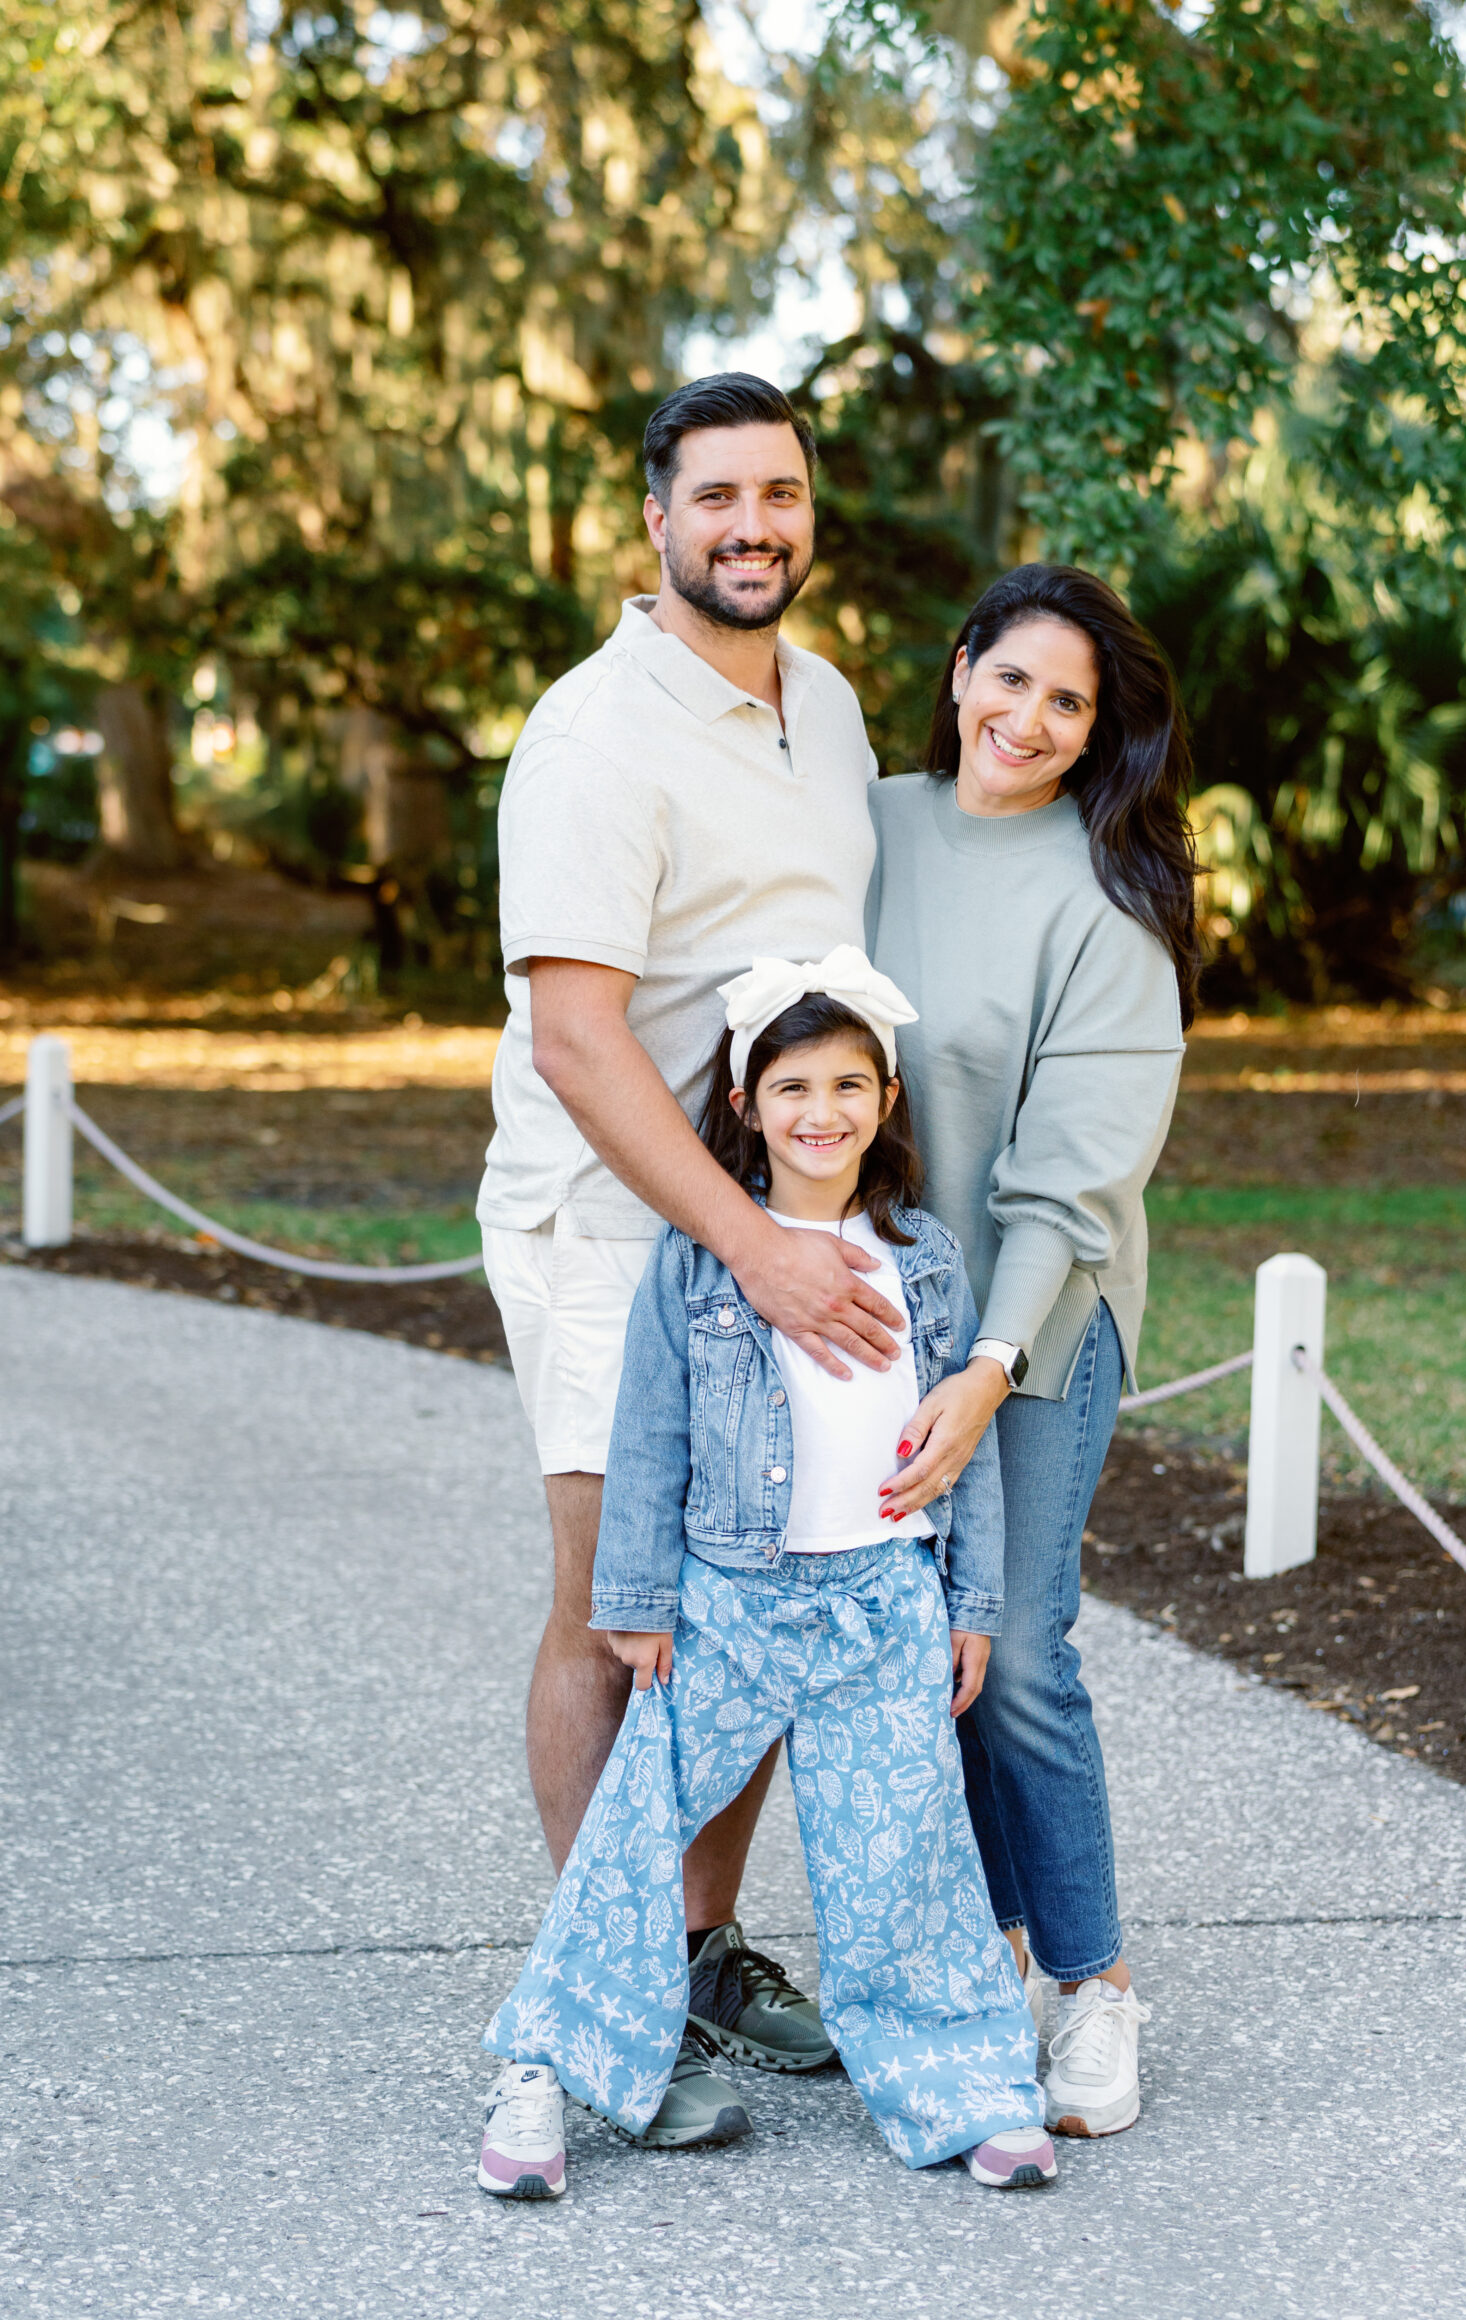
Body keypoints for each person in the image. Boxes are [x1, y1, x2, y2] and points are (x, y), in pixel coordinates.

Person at [476, 373, 908, 2149]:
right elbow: (579, 1044)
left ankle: (699, 1949)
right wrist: (747, 1246)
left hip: (784, 1232)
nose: (753, 526)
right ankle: (610, 2005)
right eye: (716, 496)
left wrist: (811, 1240)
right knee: (620, 1606)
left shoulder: (832, 702)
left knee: (762, 1602)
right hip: (612, 1227)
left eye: (781, 494)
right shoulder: (593, 734)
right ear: (653, 520)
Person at [478, 956, 1055, 2196]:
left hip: (885, 1604)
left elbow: (972, 1452)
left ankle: (967, 2086)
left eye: (851, 1083)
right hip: (727, 1606)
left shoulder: (928, 1259)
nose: (822, 1109)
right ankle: (547, 2071)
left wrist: (970, 1602)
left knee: (904, 1854)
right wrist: (633, 1603)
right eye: (792, 1083)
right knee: (633, 1840)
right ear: (745, 1101)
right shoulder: (703, 1263)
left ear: (886, 1097)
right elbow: (647, 1437)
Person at [865, 562, 1198, 2142]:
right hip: (871, 1316)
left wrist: (985, 1365)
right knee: (927, 1664)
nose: (1030, 721)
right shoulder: (864, 826)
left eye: (1067, 702)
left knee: (1016, 1654)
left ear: (1096, 729)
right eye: (1010, 681)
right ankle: (984, 1966)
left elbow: (1070, 1178)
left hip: (1039, 1318)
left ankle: (1093, 1988)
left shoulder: (1107, 892)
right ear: (957, 672)